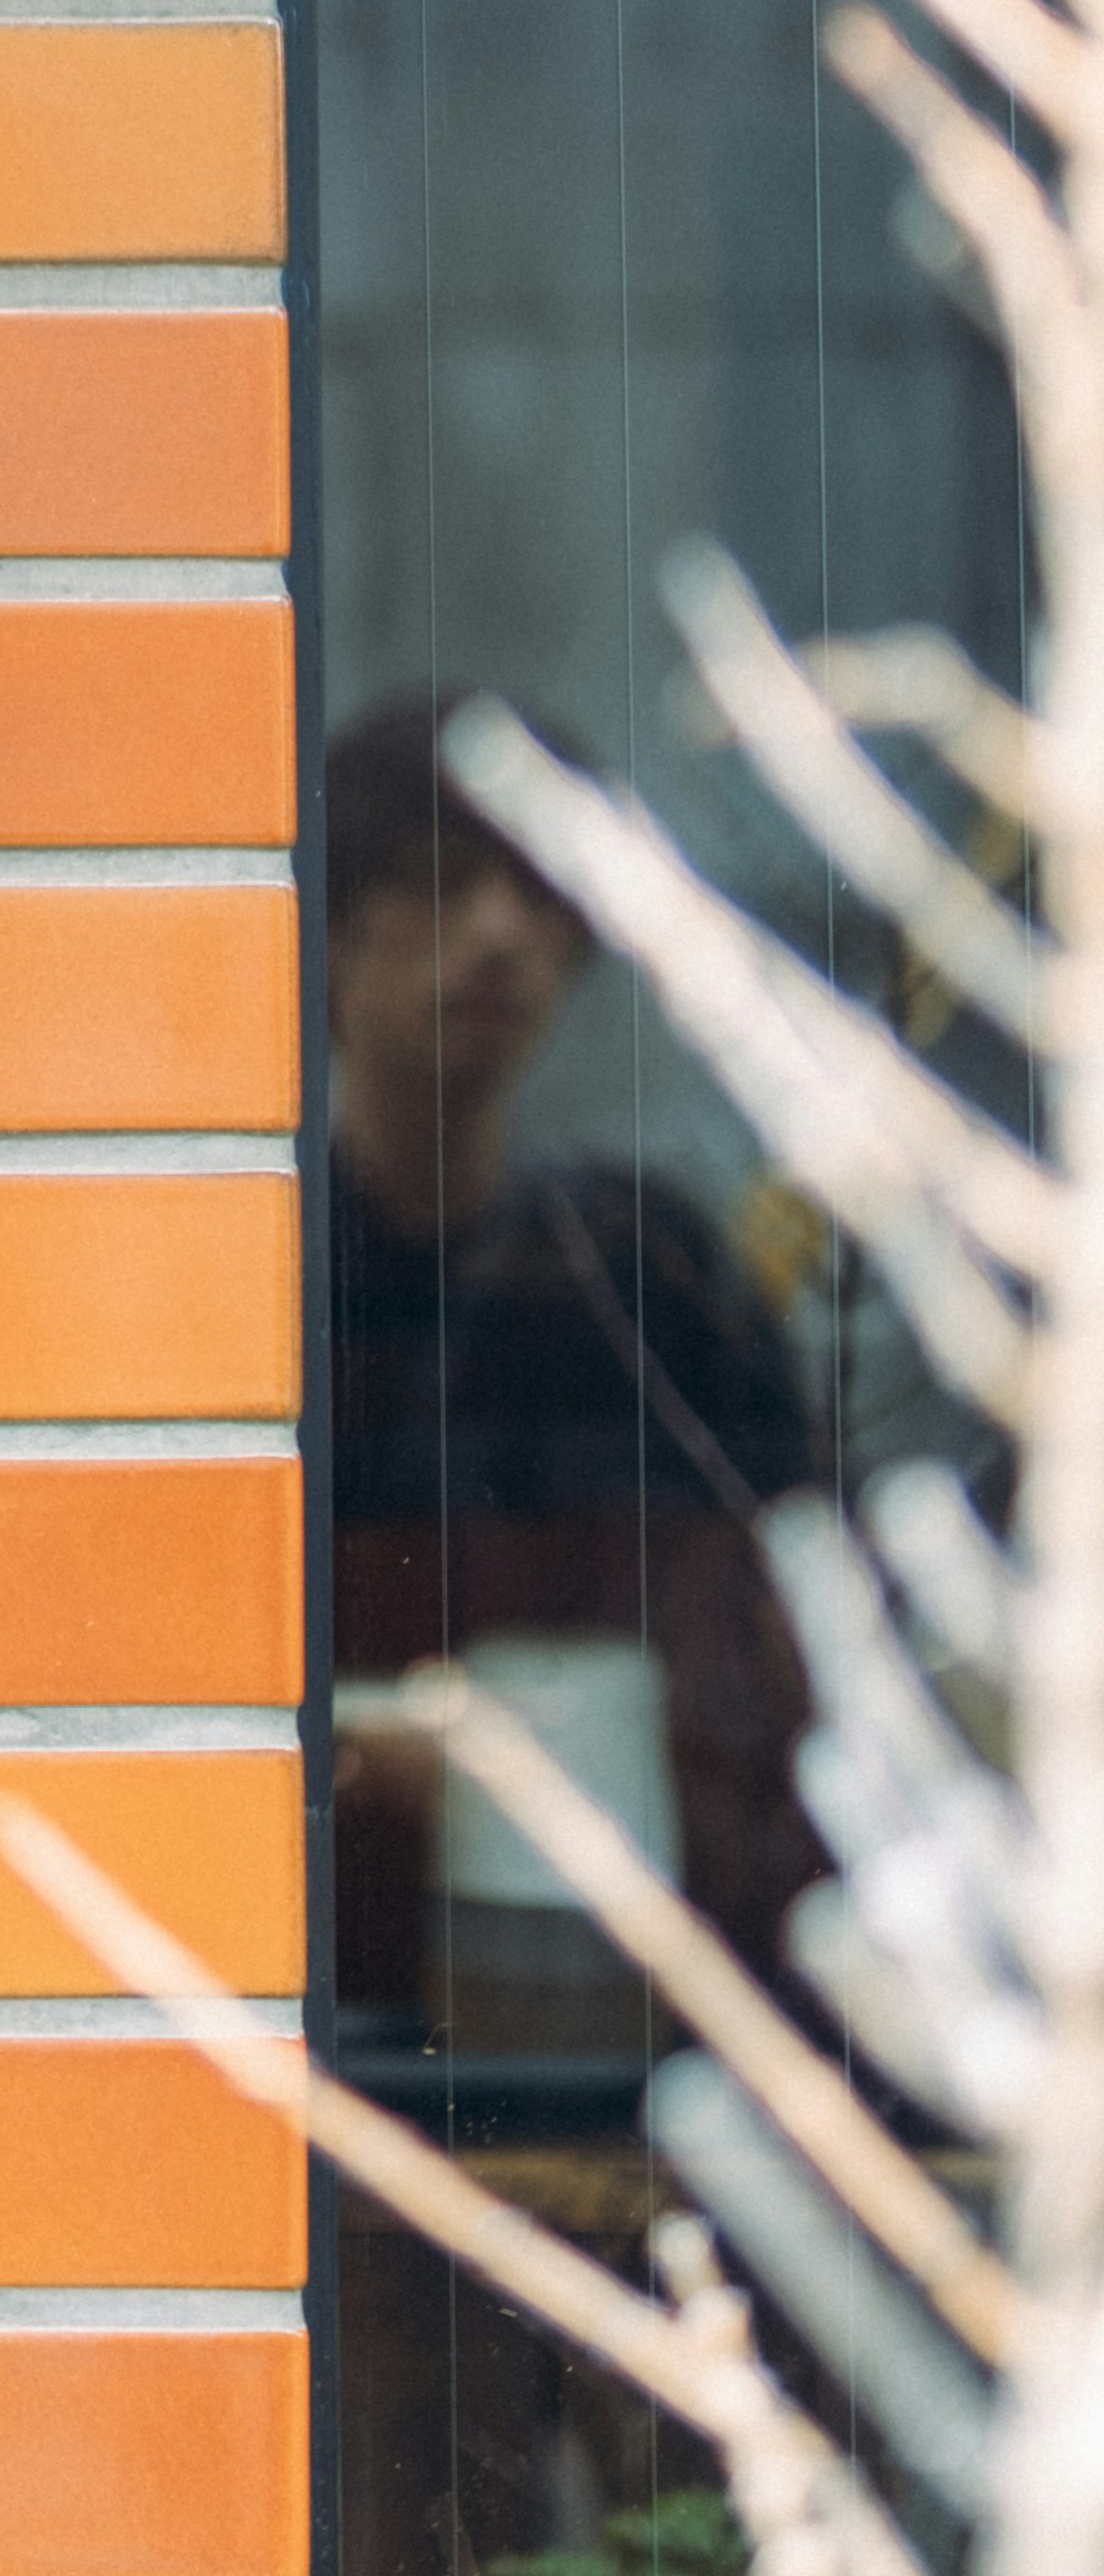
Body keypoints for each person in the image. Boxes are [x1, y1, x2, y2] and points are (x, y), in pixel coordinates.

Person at [322, 691, 822, 2041]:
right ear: (338, 920)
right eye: (442, 883)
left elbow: (808, 1625)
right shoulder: (253, 1268)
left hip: (610, 1985)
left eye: (543, 896)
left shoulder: (649, 1275)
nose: (499, 935)